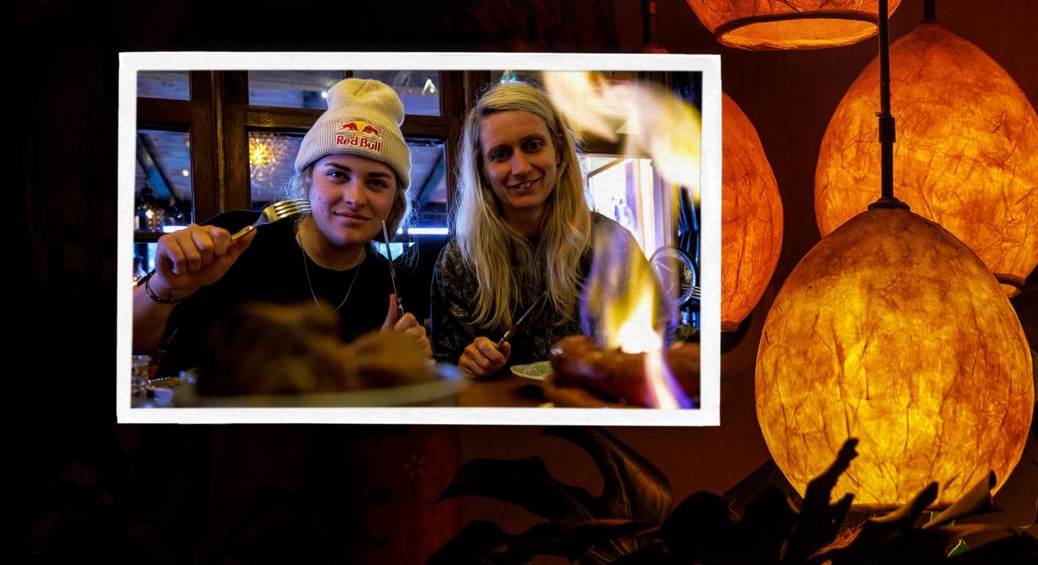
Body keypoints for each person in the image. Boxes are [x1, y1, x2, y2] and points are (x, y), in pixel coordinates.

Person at [133, 78, 431, 378]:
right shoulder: (234, 238)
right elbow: (130, 344)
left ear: (394, 200)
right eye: (338, 175)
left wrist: (400, 363)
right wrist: (166, 287)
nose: (355, 198)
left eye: (376, 182)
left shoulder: (396, 286)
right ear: (307, 181)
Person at [431, 81, 650, 378]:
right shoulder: (458, 262)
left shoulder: (612, 244)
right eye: (500, 154)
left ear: (558, 149)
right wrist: (466, 363)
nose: (520, 167)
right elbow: (444, 370)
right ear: (482, 169)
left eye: (533, 145)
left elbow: (658, 338)